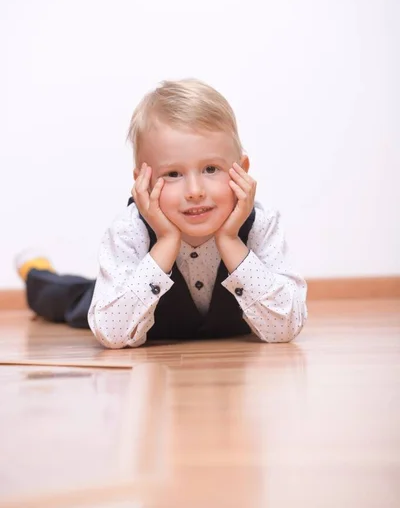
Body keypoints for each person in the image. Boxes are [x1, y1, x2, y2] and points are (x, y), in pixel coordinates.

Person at [16, 79, 307, 348]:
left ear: (241, 170)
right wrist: (166, 241)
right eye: (173, 173)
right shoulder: (131, 230)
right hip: (127, 294)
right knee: (69, 298)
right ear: (143, 182)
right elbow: (113, 334)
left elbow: (285, 327)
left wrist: (231, 241)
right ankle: (37, 273)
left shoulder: (261, 225)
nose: (194, 190)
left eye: (210, 169)